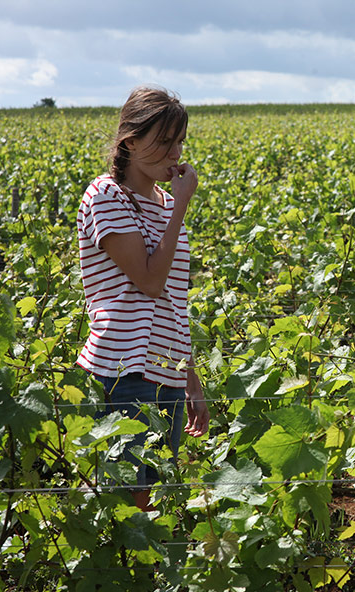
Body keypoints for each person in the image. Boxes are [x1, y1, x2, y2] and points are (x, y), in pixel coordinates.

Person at [76, 86, 209, 510]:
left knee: (154, 492)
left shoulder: (166, 202)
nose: (175, 153)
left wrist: (189, 376)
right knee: (131, 498)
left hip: (165, 367)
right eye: (165, 141)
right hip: (123, 367)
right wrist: (181, 208)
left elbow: (171, 299)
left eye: (180, 141)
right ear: (130, 142)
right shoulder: (106, 195)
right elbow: (150, 281)